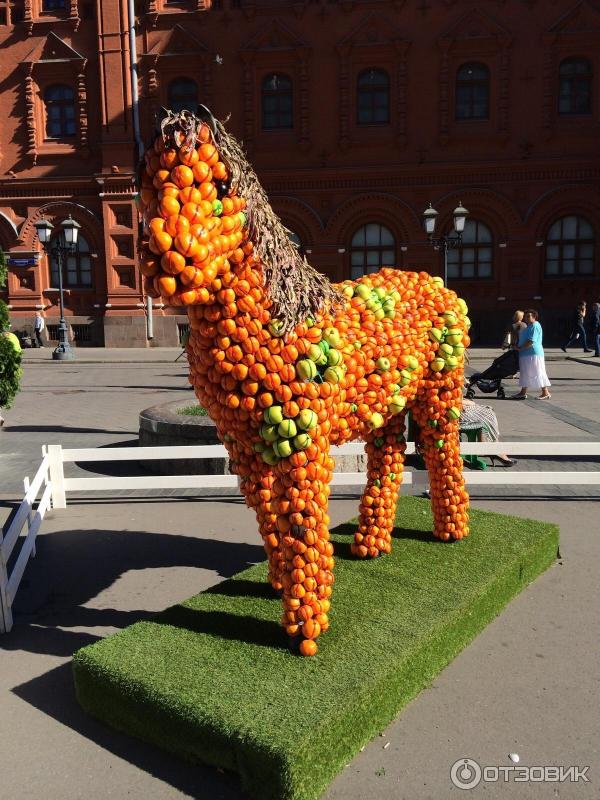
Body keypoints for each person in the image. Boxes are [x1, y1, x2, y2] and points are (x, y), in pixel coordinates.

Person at [461, 398, 515, 466]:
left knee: (488, 411)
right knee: (487, 414)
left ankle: (491, 447)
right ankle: (492, 449)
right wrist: (465, 401)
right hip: (452, 410)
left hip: (456, 405)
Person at [512, 309, 551, 400]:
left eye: (529, 316)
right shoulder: (527, 326)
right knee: (525, 373)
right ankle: (523, 392)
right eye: (526, 316)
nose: (527, 317)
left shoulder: (535, 325)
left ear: (534, 317)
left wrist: (520, 348)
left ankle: (545, 392)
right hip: (525, 354)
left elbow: (531, 341)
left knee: (538, 372)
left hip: (534, 353)